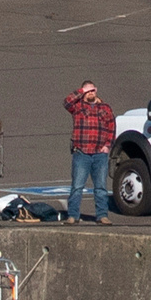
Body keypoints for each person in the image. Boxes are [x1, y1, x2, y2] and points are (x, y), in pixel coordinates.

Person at [64, 80, 116, 225]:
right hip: (81, 152)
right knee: (77, 187)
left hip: (100, 153)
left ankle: (102, 216)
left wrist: (107, 146)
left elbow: (111, 127)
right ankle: (73, 215)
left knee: (100, 187)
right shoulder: (78, 106)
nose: (91, 93)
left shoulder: (105, 108)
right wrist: (81, 91)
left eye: (92, 90)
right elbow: (67, 102)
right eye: (88, 91)